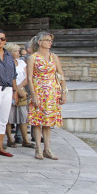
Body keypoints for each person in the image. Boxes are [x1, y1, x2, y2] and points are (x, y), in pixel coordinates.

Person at [27, 32, 67, 160]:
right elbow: (29, 77)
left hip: (52, 92)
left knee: (48, 122)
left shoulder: (54, 57)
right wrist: (33, 95)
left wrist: (63, 92)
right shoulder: (33, 58)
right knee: (38, 121)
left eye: (51, 40)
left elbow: (60, 75)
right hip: (39, 91)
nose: (50, 42)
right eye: (47, 40)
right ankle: (38, 149)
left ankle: (47, 149)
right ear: (40, 42)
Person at [5, 42, 33, 149]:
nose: (18, 53)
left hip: (21, 91)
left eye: (18, 50)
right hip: (11, 90)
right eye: (15, 51)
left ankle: (25, 139)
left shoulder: (21, 63)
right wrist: (15, 89)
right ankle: (9, 138)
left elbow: (26, 77)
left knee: (23, 115)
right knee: (9, 116)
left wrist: (20, 88)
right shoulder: (6, 63)